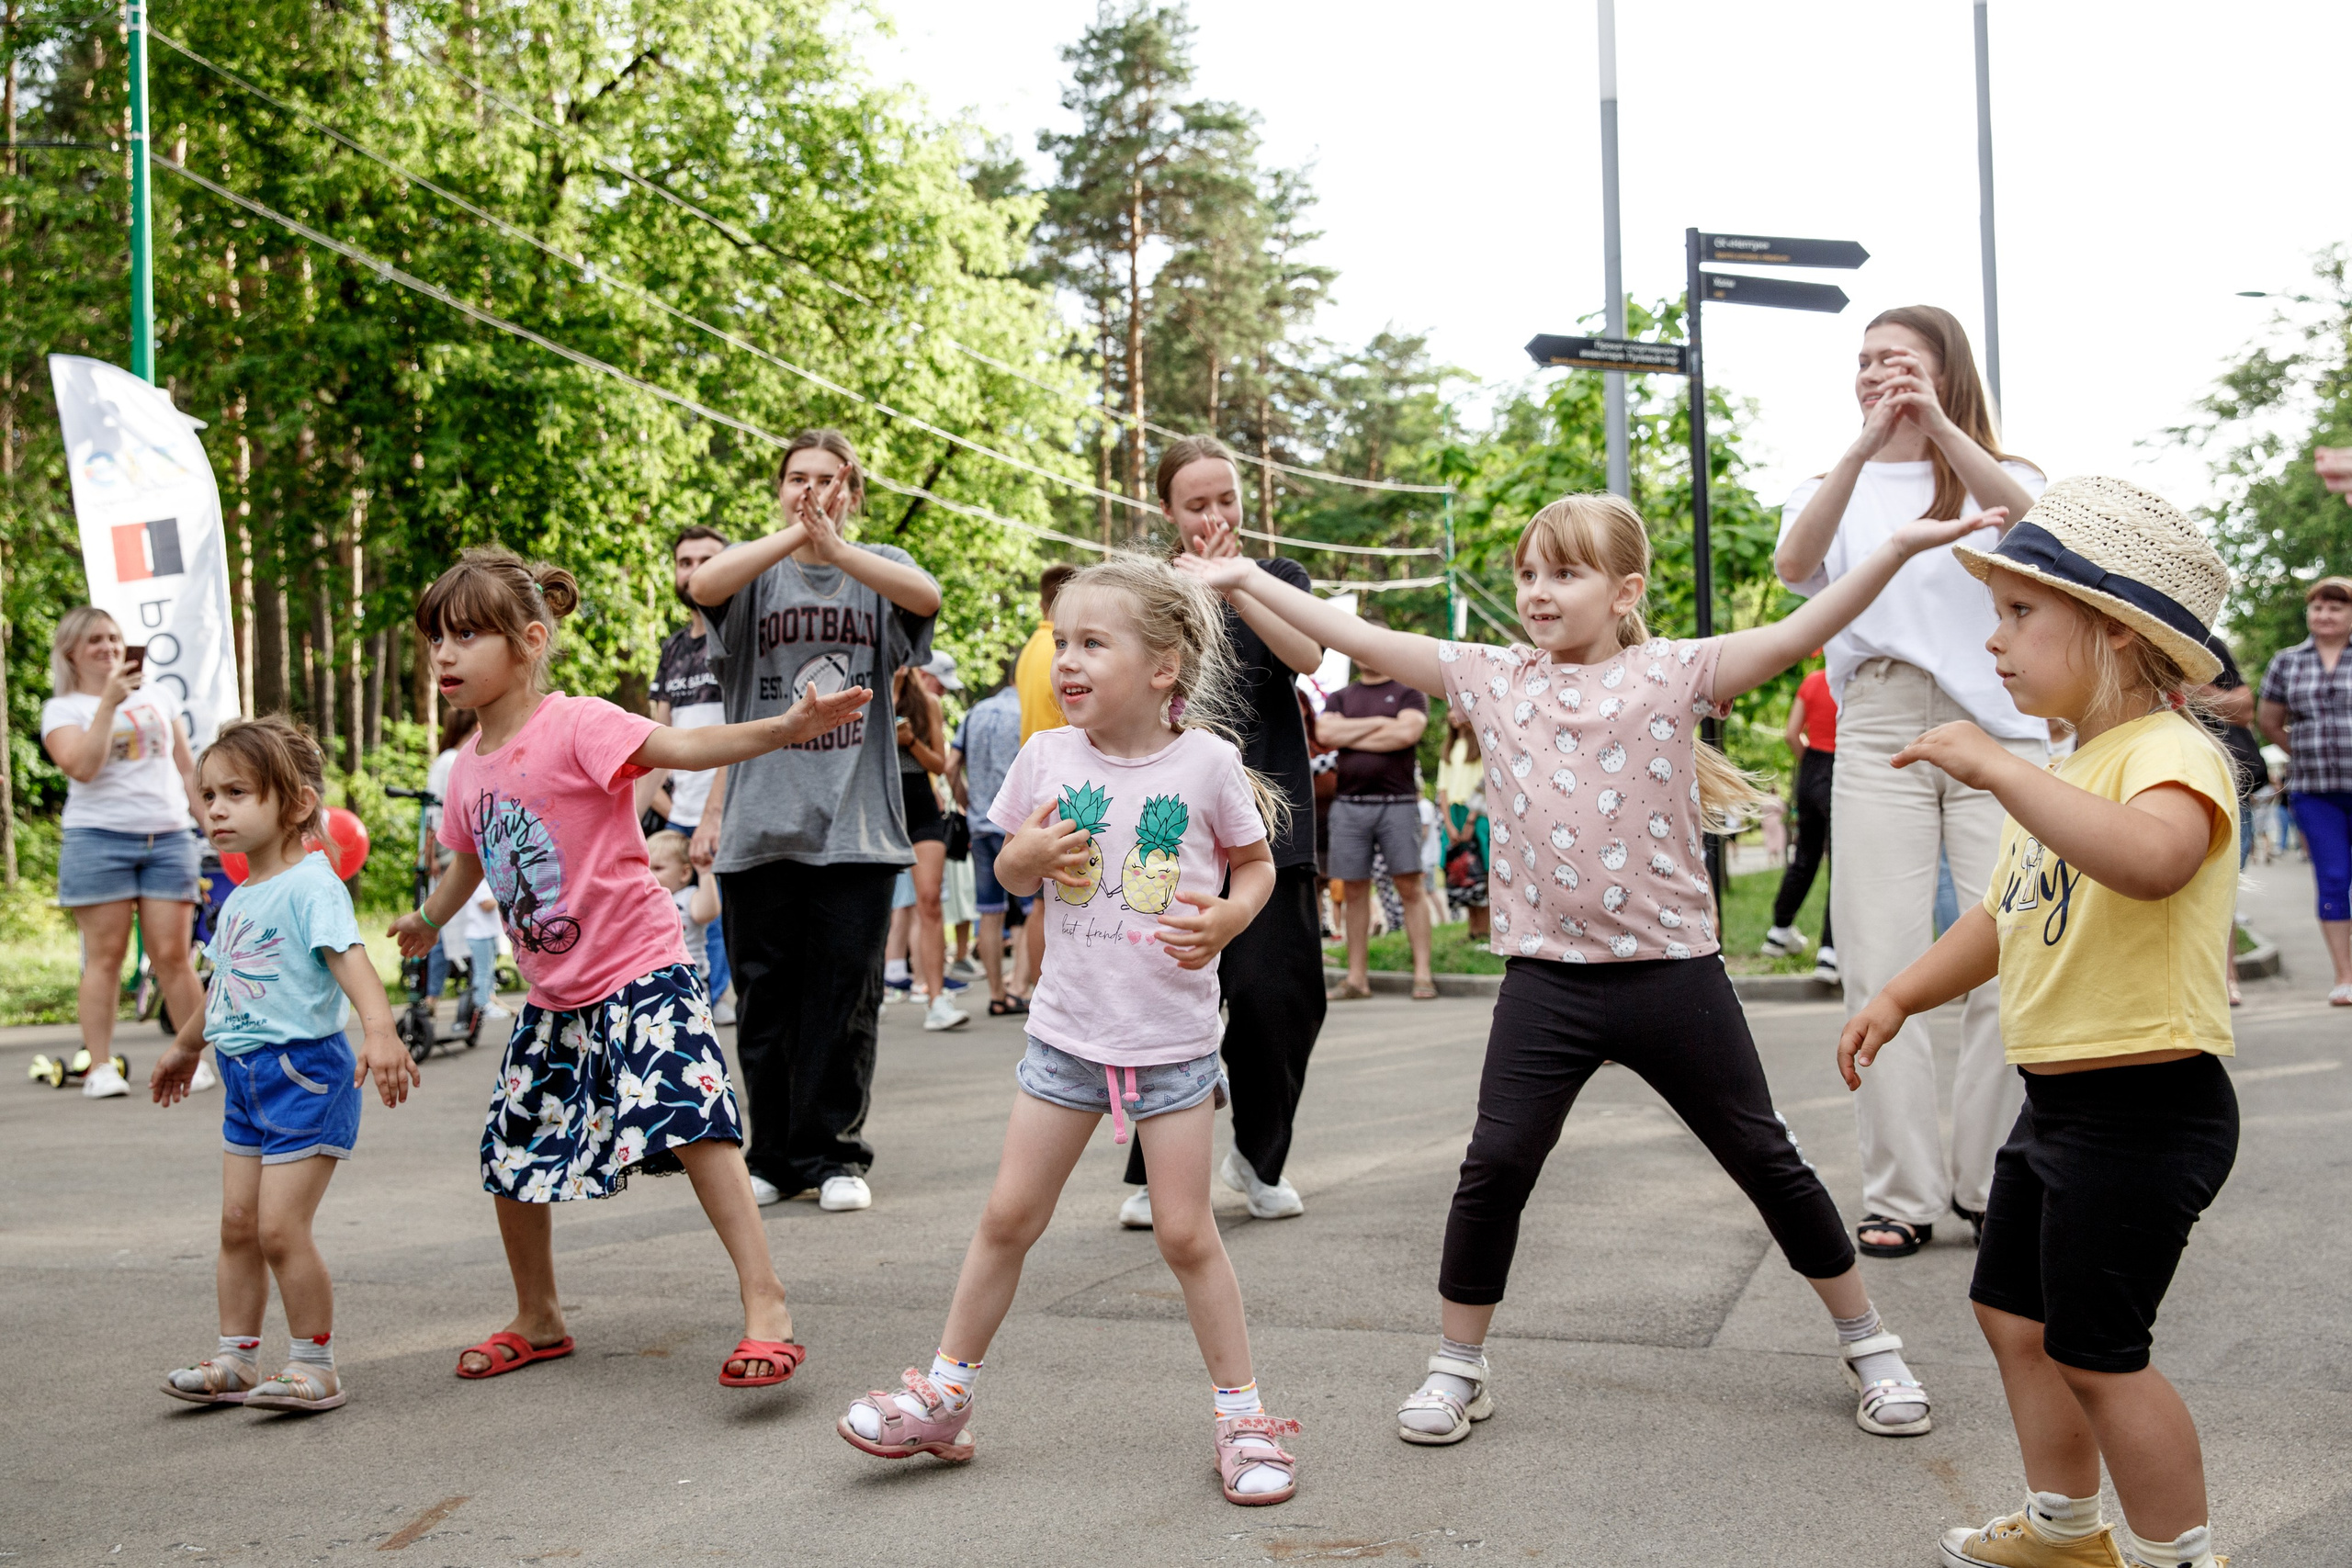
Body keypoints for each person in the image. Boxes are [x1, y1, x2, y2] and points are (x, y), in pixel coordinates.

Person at [1179, 491, 1985, 1449]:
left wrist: (1892, 547)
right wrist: (1236, 576)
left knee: (1766, 1160)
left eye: (1563, 573)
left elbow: (1804, 624)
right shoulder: (1492, 678)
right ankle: (1456, 1366)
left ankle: (1869, 1342)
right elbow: (1361, 634)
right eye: (1527, 573)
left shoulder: (1677, 672)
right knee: (1495, 1166)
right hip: (1547, 985)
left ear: (1623, 590)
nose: (1536, 591)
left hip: (1673, 977)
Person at [836, 555, 1303, 1506]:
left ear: (1164, 667)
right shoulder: (1047, 757)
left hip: (1169, 1048)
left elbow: (1254, 868)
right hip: (1064, 1039)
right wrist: (1029, 855)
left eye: (1094, 642)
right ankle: (944, 1394)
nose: (1066, 662)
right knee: (1009, 1217)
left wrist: (1229, 917)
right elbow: (1007, 871)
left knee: (1184, 1234)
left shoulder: (1208, 765)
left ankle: (1243, 1415)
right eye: (1061, 643)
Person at [1841, 478, 2239, 1568]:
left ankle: (2176, 1557)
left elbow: (2154, 862)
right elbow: (2004, 916)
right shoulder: (2074, 767)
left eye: (2021, 613)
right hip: (2060, 1098)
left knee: (2103, 1354)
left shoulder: (2170, 753)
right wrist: (1897, 994)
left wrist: (2002, 770)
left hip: (2147, 1107)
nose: (1994, 638)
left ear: (2113, 632)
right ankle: (2067, 1531)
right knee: (2013, 1316)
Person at [388, 546, 871, 1387]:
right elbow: (469, 858)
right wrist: (429, 918)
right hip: (553, 993)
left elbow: (685, 746)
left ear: (531, 640)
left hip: (639, 967)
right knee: (513, 1147)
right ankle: (538, 1315)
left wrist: (784, 729)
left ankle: (768, 1304)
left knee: (693, 1122)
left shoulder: (577, 723)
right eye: (436, 637)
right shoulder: (466, 767)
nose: (445, 653)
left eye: (468, 635)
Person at [1774, 303, 2048, 1260]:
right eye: (1864, 361)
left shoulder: (2004, 477)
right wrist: (1859, 449)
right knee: (1880, 960)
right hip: (1880, 721)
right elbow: (1793, 566)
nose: (1876, 374)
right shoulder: (1832, 484)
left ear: (1945, 371)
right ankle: (1898, 1192)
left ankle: (1989, 1184)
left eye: (1897, 360)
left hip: (1999, 725)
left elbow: (2029, 533)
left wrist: (1937, 427)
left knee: (2008, 955)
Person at [687, 429, 944, 1213]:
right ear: (778, 489)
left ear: (854, 490)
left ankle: (834, 1154)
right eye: (797, 477)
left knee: (843, 1000)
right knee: (767, 1004)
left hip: (857, 829)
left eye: (828, 479)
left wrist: (837, 541)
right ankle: (772, 1155)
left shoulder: (880, 574)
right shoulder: (755, 578)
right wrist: (800, 532)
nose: (811, 489)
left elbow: (925, 595)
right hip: (760, 831)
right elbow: (703, 585)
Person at [153, 716, 415, 1412]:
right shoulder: (240, 898)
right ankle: (235, 1359)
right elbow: (225, 986)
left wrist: (380, 1030)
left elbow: (351, 960)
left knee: (278, 1229)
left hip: (304, 1076)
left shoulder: (311, 884)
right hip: (244, 1080)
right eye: (209, 794)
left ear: (294, 803)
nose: (215, 808)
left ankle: (314, 1363)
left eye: (236, 792)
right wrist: (186, 1045)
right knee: (237, 1223)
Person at [1121, 435, 1327, 1229]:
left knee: (1279, 998)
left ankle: (1258, 1158)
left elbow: (1306, 653)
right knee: (1163, 1001)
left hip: (1271, 828)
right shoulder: (1144, 591)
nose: (1215, 517)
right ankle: (1152, 1173)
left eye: (1226, 500)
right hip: (1170, 828)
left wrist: (1235, 584)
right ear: (1168, 512)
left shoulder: (1278, 580)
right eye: (1197, 504)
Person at [40, 605, 207, 1100]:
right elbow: (82, 767)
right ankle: (100, 1068)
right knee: (106, 957)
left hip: (168, 836)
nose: (109, 647)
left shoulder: (158, 694)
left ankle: (191, 1057)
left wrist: (211, 823)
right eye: (95, 640)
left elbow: (186, 768)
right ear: (71, 651)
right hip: (99, 838)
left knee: (174, 955)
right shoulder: (62, 709)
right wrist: (109, 703)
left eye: (114, 638)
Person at [649, 526, 736, 1017]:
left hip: (730, 811)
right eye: (685, 561)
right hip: (681, 815)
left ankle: (718, 997)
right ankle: (690, 998)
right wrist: (654, 810)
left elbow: (743, 735)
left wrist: (713, 815)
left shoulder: (740, 642)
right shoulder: (674, 649)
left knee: (716, 913)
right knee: (674, 915)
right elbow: (656, 744)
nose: (695, 570)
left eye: (708, 559)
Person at [2256, 576, 2352, 1004]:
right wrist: (2305, 749)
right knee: (2332, 879)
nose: (2325, 615)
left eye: (2336, 607)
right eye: (2318, 607)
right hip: (2315, 790)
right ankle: (2345, 977)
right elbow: (2270, 721)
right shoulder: (2287, 662)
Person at [1321, 661, 1434, 1000]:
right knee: (1353, 890)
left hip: (1397, 803)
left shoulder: (1409, 691)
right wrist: (1383, 724)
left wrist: (1351, 731)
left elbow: (1407, 734)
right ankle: (1357, 980)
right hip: (1349, 804)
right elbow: (1326, 735)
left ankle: (1423, 976)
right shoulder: (1340, 696)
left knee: (1410, 887)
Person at [949, 660, 1033, 1015]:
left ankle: (996, 994)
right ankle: (1020, 984)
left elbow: (951, 765)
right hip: (1016, 825)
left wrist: (968, 804)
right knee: (1032, 909)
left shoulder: (975, 712)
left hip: (980, 824)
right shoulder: (1024, 712)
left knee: (989, 912)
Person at [896, 652, 967, 1031]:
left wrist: (909, 742)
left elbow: (940, 763)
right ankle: (868, 995)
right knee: (870, 908)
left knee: (929, 900)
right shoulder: (861, 695)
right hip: (878, 808)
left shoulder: (927, 702)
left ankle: (937, 1000)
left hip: (921, 806)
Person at [2197, 633, 2264, 1007]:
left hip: (2229, 784)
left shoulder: (2206, 642)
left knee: (2223, 888)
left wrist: (2190, 687)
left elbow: (2244, 707)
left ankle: (2225, 976)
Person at [1763, 662, 1838, 981]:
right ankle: (1830, 952)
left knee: (1804, 857)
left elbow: (1792, 734)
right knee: (1841, 865)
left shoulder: (1812, 681)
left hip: (1810, 770)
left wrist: (1810, 766)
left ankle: (1779, 931)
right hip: (1843, 766)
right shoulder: (1849, 684)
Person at [1435, 707, 1489, 939]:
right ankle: (1472, 930)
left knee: (1482, 868)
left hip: (1476, 814)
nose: (1451, 715)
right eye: (1448, 711)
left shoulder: (1479, 746)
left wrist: (1471, 819)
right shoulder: (1449, 748)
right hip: (1454, 814)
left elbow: (1484, 783)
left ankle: (1485, 930)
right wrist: (1447, 822)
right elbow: (1442, 789)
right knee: (1462, 870)